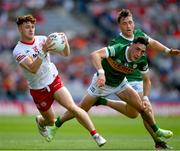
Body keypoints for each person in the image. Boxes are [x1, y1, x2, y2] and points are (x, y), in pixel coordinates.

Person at [47, 36, 173, 149]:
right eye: (137, 49)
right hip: (101, 84)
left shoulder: (141, 60)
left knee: (142, 107)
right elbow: (94, 55)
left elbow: (146, 79)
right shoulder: (118, 49)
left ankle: (156, 130)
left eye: (142, 51)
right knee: (80, 110)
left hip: (120, 84)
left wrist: (145, 97)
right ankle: (55, 125)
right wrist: (101, 73)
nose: (139, 53)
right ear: (131, 45)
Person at [12, 14, 106, 147]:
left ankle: (96, 135)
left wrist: (65, 42)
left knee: (73, 107)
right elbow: (33, 68)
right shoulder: (18, 50)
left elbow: (66, 54)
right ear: (20, 29)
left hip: (53, 80)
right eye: (27, 27)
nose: (31, 29)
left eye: (32, 26)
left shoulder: (43, 39)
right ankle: (40, 121)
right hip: (38, 89)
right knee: (50, 121)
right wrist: (43, 51)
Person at [93, 9, 179, 149]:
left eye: (130, 22)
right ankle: (158, 142)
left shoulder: (139, 34)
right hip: (126, 80)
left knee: (132, 113)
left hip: (139, 79)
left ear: (134, 23)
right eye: (125, 23)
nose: (128, 26)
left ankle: (103, 101)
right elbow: (106, 61)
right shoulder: (117, 42)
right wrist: (103, 75)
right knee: (146, 108)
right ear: (120, 26)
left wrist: (167, 51)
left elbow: (153, 42)